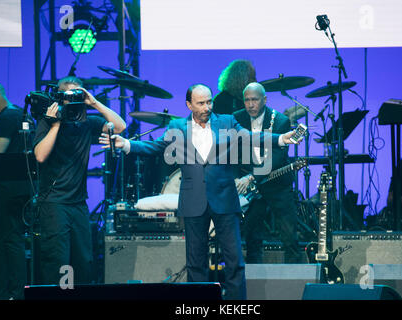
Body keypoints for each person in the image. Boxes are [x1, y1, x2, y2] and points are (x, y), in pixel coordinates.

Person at [99, 84, 301, 299]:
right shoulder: (178, 127)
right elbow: (156, 147)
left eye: (209, 102)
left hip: (224, 198)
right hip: (194, 200)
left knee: (234, 261)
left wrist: (280, 139)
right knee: (196, 262)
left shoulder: (226, 121)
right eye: (201, 103)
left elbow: (250, 136)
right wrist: (126, 144)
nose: (207, 107)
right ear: (189, 105)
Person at [32, 76, 126, 285]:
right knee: (57, 262)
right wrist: (54, 125)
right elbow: (39, 156)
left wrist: (94, 103)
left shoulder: (86, 123)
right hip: (54, 203)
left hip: (78, 204)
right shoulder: (46, 122)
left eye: (77, 95)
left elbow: (119, 126)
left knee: (83, 261)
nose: (73, 101)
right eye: (69, 96)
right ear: (60, 98)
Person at [234, 82, 300, 263]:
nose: (250, 104)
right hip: (252, 187)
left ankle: (294, 277)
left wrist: (252, 176)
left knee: (288, 233)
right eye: (246, 100)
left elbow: (277, 158)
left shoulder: (280, 120)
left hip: (277, 184)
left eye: (254, 100)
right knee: (251, 234)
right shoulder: (236, 118)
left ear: (264, 99)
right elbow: (232, 152)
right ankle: (253, 279)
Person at [0, 81, 34, 299]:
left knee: (4, 241)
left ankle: (6, 291)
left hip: (6, 189)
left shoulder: (6, 117)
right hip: (22, 189)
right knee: (14, 239)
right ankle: (16, 291)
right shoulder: (21, 114)